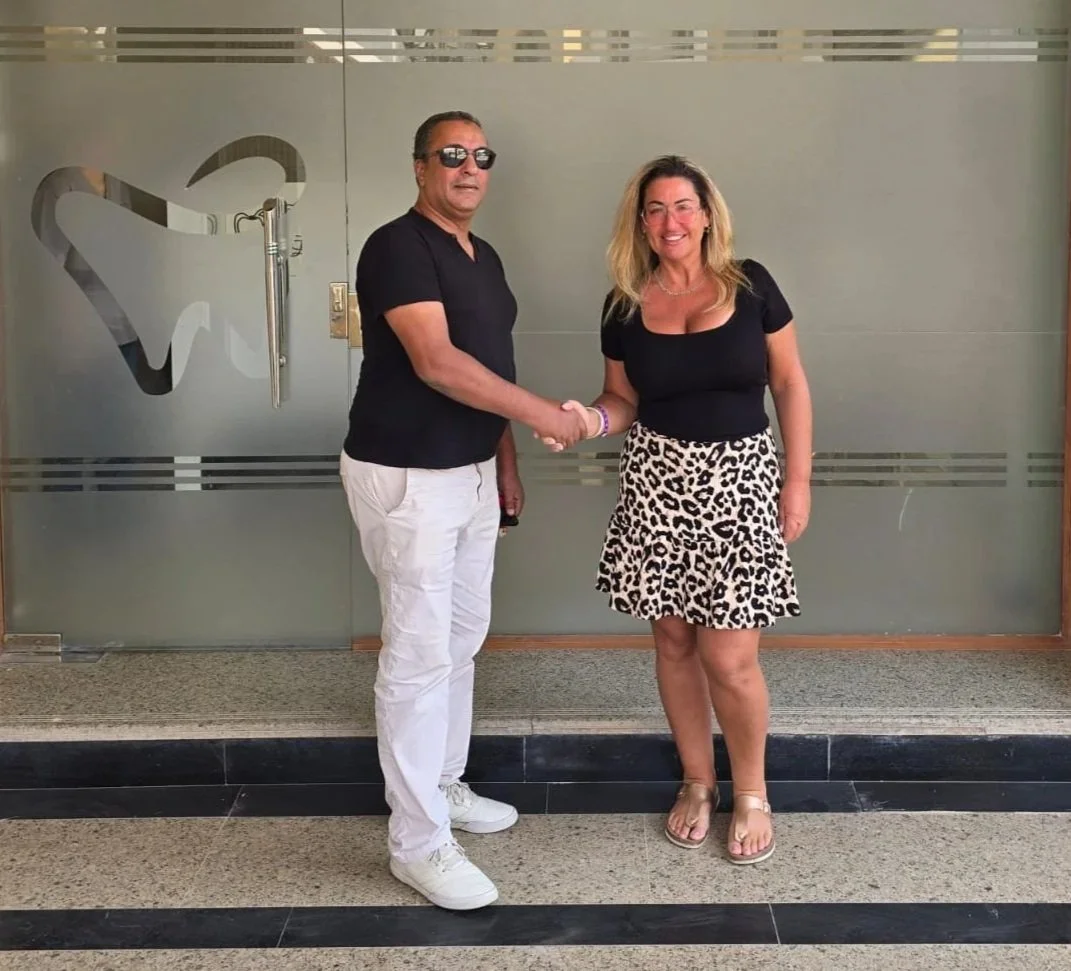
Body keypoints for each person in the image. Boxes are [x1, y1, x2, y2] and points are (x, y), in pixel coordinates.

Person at [339, 110, 587, 911]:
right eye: (451, 155)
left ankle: (443, 784)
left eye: (481, 156)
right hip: (408, 473)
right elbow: (438, 363)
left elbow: (489, 365)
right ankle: (416, 844)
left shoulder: (483, 254)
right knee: (414, 655)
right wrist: (550, 415)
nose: (469, 167)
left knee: (461, 635)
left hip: (471, 471)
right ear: (419, 167)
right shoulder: (395, 247)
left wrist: (505, 457)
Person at [546, 154, 812, 865]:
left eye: (683, 206)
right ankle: (698, 781)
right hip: (658, 484)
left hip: (740, 482)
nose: (672, 221)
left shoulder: (750, 285)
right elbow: (621, 401)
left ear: (707, 213)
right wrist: (583, 420)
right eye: (657, 209)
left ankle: (750, 790)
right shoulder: (622, 304)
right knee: (670, 639)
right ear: (640, 222)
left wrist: (798, 479)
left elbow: (788, 383)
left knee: (729, 654)